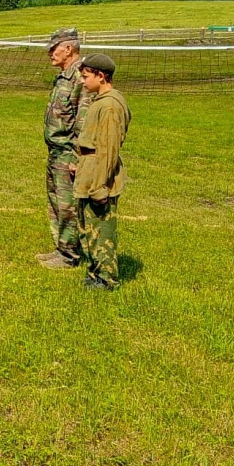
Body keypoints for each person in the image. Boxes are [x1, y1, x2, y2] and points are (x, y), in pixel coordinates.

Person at [74, 53, 131, 291]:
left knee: (102, 230)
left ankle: (107, 279)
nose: (82, 81)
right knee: (90, 229)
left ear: (101, 76)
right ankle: (95, 272)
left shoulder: (109, 106)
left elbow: (108, 149)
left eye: (86, 76)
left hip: (100, 176)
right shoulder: (101, 100)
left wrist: (100, 185)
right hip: (90, 170)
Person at [38, 28, 91, 270]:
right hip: (55, 151)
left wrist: (77, 158)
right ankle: (62, 248)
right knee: (56, 202)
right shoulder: (62, 77)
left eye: (54, 47)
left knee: (68, 205)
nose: (50, 52)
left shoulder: (80, 78)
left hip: (68, 152)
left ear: (68, 49)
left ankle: (70, 256)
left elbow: (83, 121)